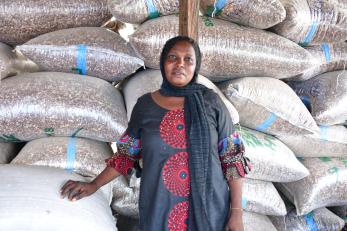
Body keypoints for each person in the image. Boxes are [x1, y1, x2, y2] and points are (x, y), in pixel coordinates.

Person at [60, 36, 251, 231]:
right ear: (163, 62)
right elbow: (126, 154)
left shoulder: (211, 102)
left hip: (210, 212)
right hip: (159, 210)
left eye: (188, 59)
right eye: (173, 57)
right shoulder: (145, 106)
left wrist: (236, 213)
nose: (180, 65)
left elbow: (232, 158)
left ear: (196, 66)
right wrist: (94, 185)